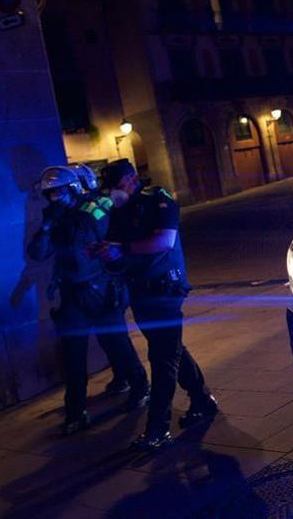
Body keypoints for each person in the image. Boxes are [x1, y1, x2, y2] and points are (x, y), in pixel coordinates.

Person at [95, 159, 217, 450]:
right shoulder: (119, 211)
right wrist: (105, 253)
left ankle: (157, 428)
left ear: (131, 179)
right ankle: (202, 399)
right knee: (172, 350)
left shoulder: (158, 200)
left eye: (116, 185)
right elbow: (114, 249)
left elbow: (163, 241)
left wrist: (121, 249)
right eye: (109, 187)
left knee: (161, 358)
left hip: (165, 290)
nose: (113, 192)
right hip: (139, 291)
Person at [28, 165, 149, 435]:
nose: (54, 197)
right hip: (72, 294)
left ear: (72, 188)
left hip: (101, 289)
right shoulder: (54, 218)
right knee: (73, 355)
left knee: (116, 344)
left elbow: (109, 231)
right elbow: (38, 252)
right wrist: (47, 225)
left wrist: (76, 219)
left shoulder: (93, 208)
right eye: (50, 193)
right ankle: (76, 412)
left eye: (58, 191)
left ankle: (140, 388)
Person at [70, 163, 142, 396]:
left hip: (105, 283)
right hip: (91, 284)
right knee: (107, 337)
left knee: (117, 338)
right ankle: (123, 377)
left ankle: (138, 384)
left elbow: (111, 242)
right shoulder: (77, 211)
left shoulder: (96, 208)